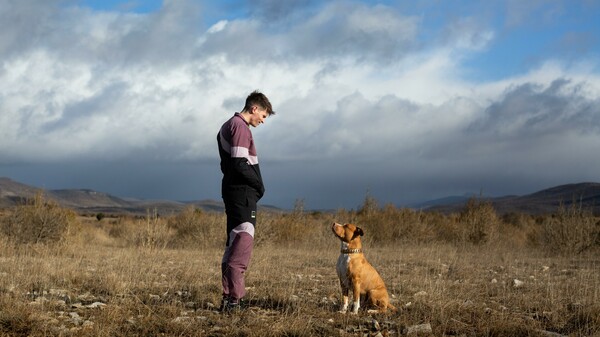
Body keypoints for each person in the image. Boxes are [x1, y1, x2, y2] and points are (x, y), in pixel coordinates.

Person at [216, 90, 275, 312]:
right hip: (242, 196)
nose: (262, 121)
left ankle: (228, 298)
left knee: (233, 244)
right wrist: (259, 186)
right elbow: (240, 163)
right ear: (254, 108)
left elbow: (228, 166)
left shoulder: (227, 126)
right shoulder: (239, 127)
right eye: (263, 116)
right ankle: (234, 301)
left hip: (235, 194)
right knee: (242, 243)